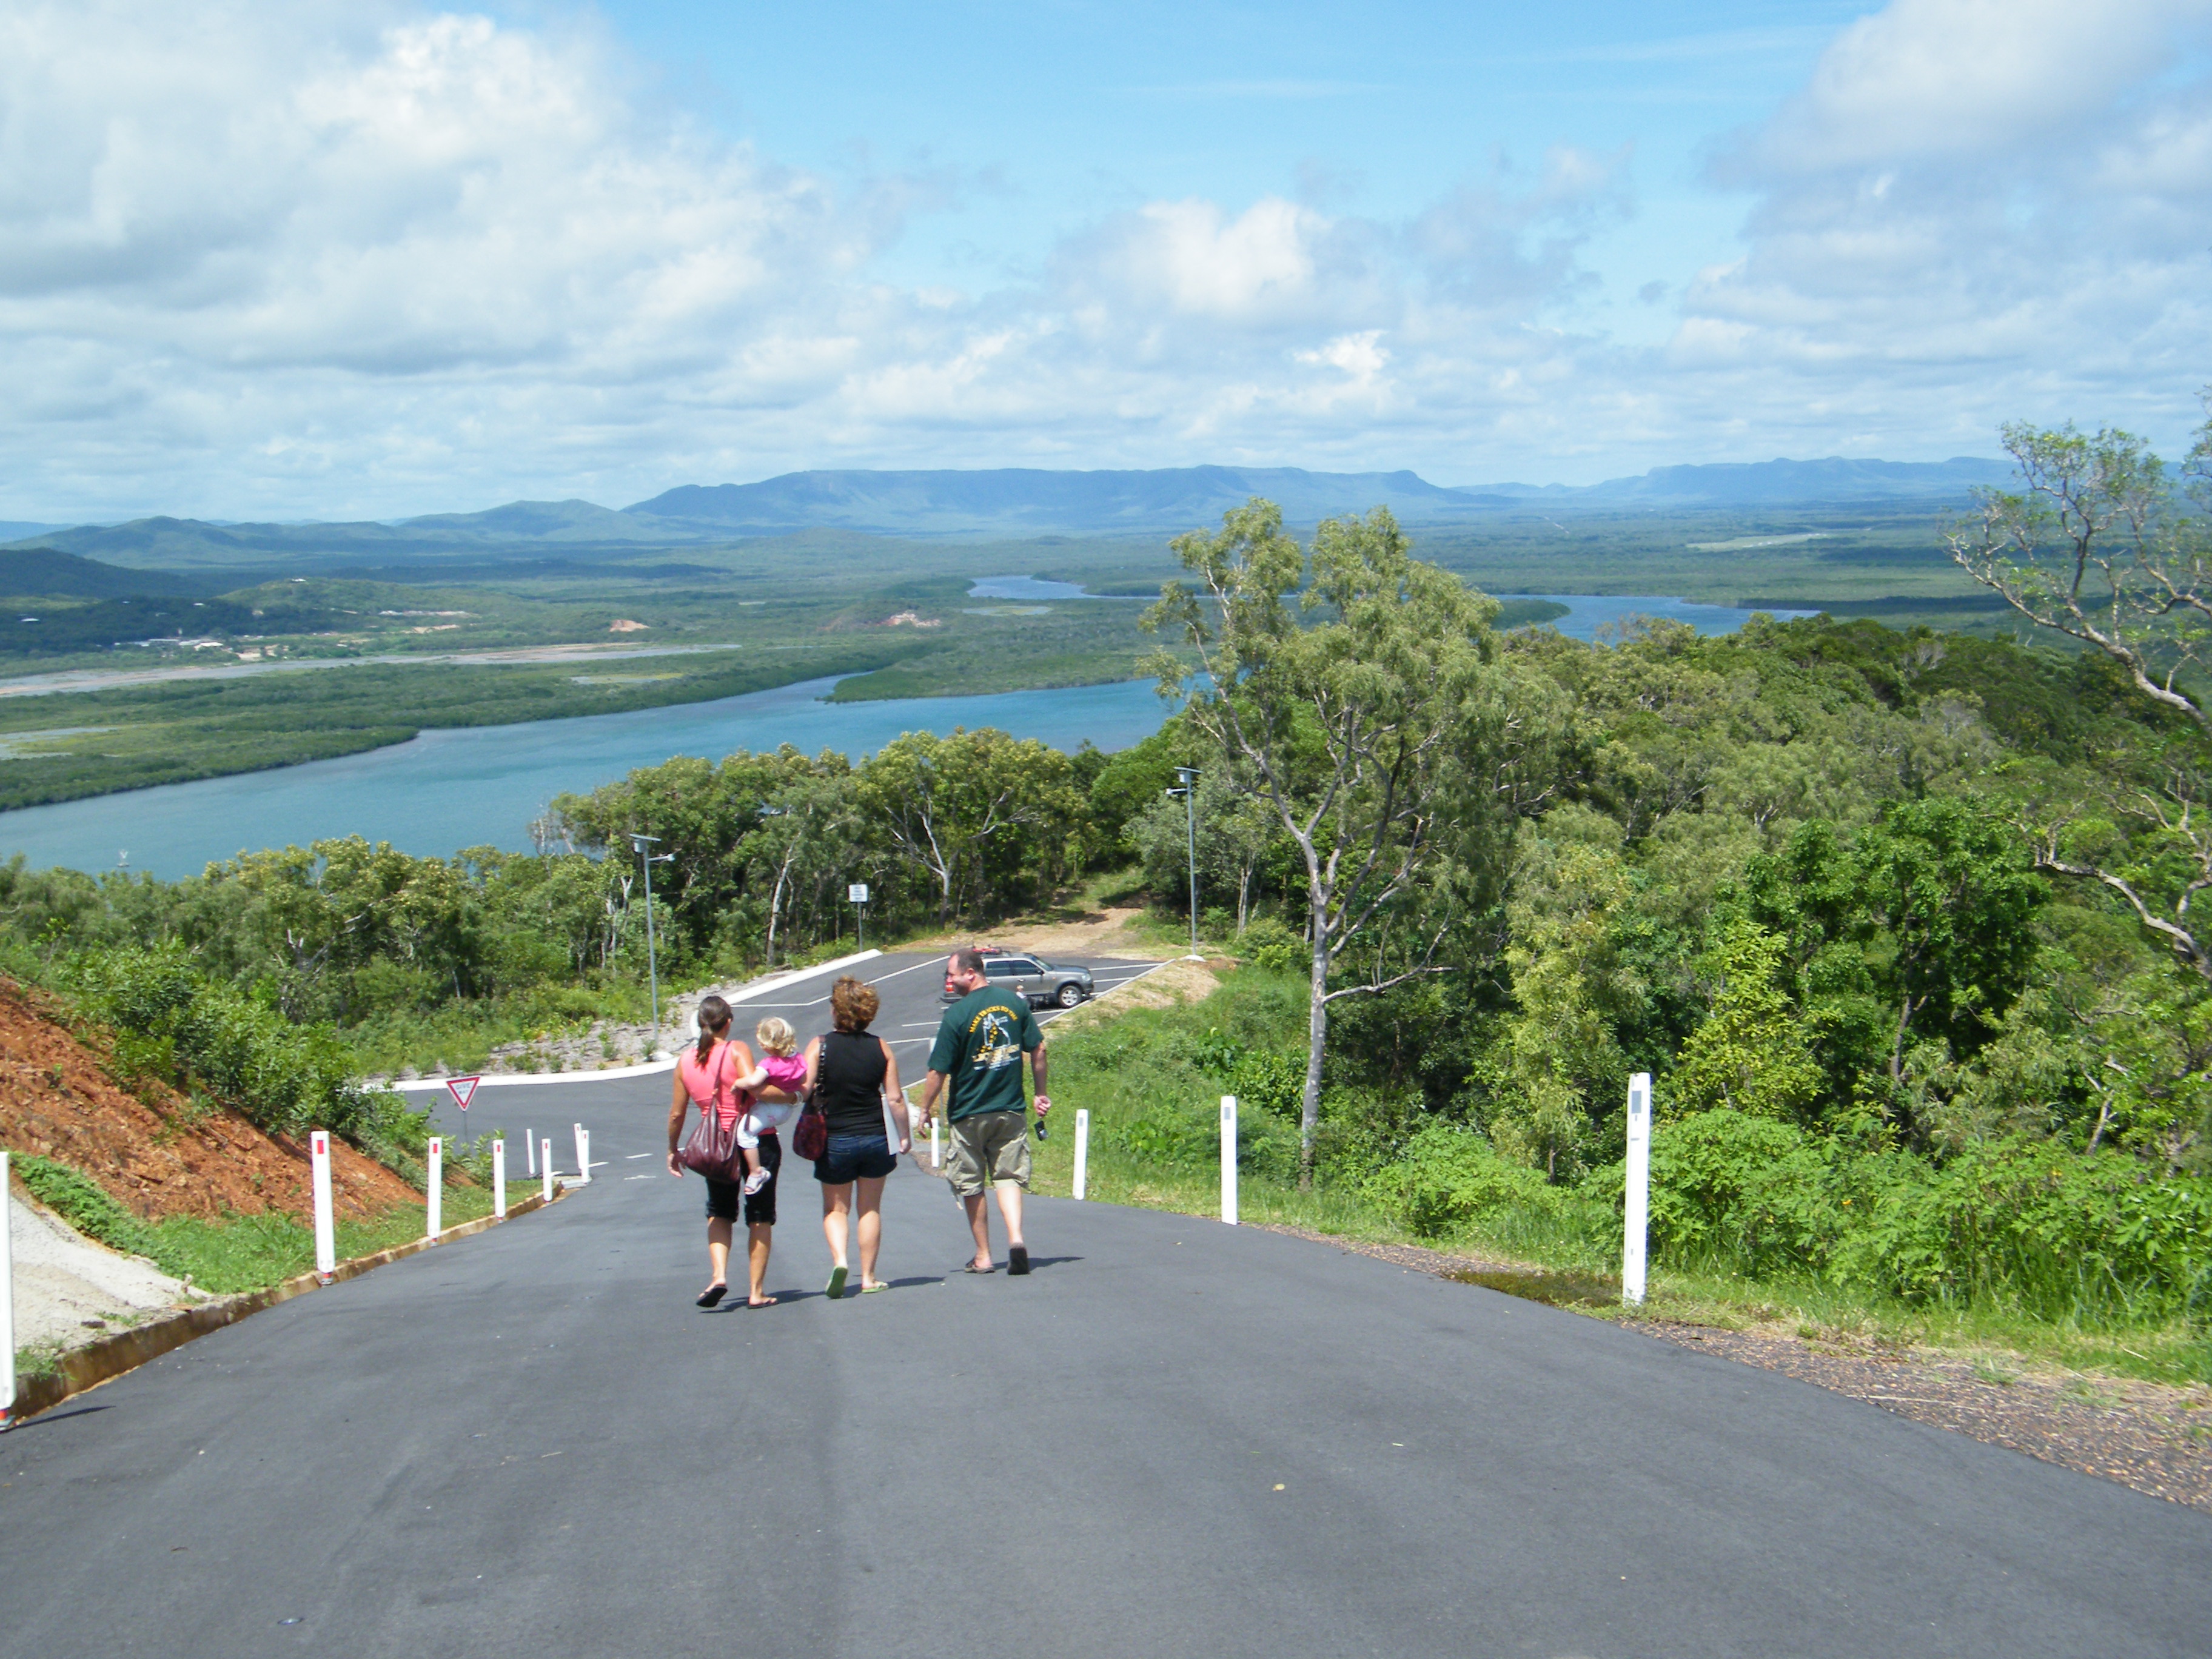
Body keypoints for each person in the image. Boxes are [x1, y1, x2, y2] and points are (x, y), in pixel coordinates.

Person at [916, 947, 1048, 1276]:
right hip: (1010, 1109)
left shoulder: (957, 1015)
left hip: (969, 1113)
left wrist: (924, 1109)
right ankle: (1016, 1239)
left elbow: (937, 1072)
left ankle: (984, 1255)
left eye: (952, 974)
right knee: (1008, 1177)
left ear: (970, 973)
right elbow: (1039, 1047)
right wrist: (1041, 1093)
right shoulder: (1015, 1003)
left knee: (971, 1183)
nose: (949, 980)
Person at [665, 994, 791, 1309]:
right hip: (756, 1139)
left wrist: (673, 1149)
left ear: (699, 1023)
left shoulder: (685, 1061)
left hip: (715, 1144)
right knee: (760, 1215)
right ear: (729, 1022)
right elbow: (757, 1089)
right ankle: (756, 1291)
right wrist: (795, 1096)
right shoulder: (737, 1050)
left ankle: (719, 1275)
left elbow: (677, 1114)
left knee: (719, 1210)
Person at [803, 975, 908, 1299]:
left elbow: (802, 1089)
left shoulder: (819, 1046)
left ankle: (840, 1261)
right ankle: (869, 1278)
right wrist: (903, 1137)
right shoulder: (881, 1047)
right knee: (870, 1209)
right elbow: (895, 1099)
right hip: (876, 1138)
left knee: (836, 1210)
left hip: (835, 1140)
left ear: (837, 1010)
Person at [727, 1016, 809, 1196]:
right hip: (786, 1110)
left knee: (745, 1134)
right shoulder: (799, 1060)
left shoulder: (769, 1064)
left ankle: (756, 1172)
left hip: (770, 1109)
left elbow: (754, 1081)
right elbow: (803, 1079)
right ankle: (756, 1171)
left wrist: (739, 1082)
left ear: (768, 1044)